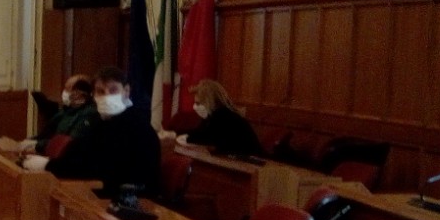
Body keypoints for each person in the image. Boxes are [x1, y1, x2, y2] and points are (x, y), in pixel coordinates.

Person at [22, 67, 161, 196]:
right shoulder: (104, 121)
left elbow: (97, 167)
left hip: (131, 198)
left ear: (126, 91)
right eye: (100, 91)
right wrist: (51, 163)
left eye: (113, 90)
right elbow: (79, 151)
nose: (107, 96)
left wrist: (48, 166)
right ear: (93, 95)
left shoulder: (135, 124)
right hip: (108, 190)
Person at [180, 78, 264, 156]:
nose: (195, 107)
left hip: (252, 161)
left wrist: (178, 135)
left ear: (209, 101)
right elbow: (198, 132)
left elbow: (203, 138)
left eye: (198, 103)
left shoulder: (224, 116)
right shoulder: (212, 115)